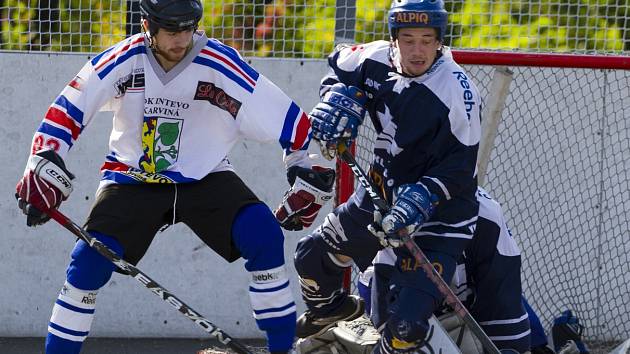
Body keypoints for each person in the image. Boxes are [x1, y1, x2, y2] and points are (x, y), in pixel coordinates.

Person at [14, 0, 335, 353]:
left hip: (207, 177)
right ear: (146, 26)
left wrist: (308, 169)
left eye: (188, 28)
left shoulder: (221, 63)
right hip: (132, 179)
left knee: (264, 235)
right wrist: (43, 161)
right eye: (171, 30)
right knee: (86, 264)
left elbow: (292, 122)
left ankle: (281, 349)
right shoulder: (123, 59)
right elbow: (67, 110)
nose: (181, 39)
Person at [292, 0, 482, 352]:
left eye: (427, 40)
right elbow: (337, 67)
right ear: (393, 38)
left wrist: (423, 196)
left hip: (440, 217)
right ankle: (338, 315)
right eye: (408, 39)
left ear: (440, 40)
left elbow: (460, 168)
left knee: (405, 327)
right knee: (310, 258)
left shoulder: (458, 90)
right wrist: (337, 96)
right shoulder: (373, 58)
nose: (418, 50)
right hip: (379, 196)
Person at [362, 187, 532, 353]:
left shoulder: (487, 216)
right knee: (401, 335)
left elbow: (507, 330)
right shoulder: (391, 216)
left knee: (515, 338)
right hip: (402, 302)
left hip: (470, 303)